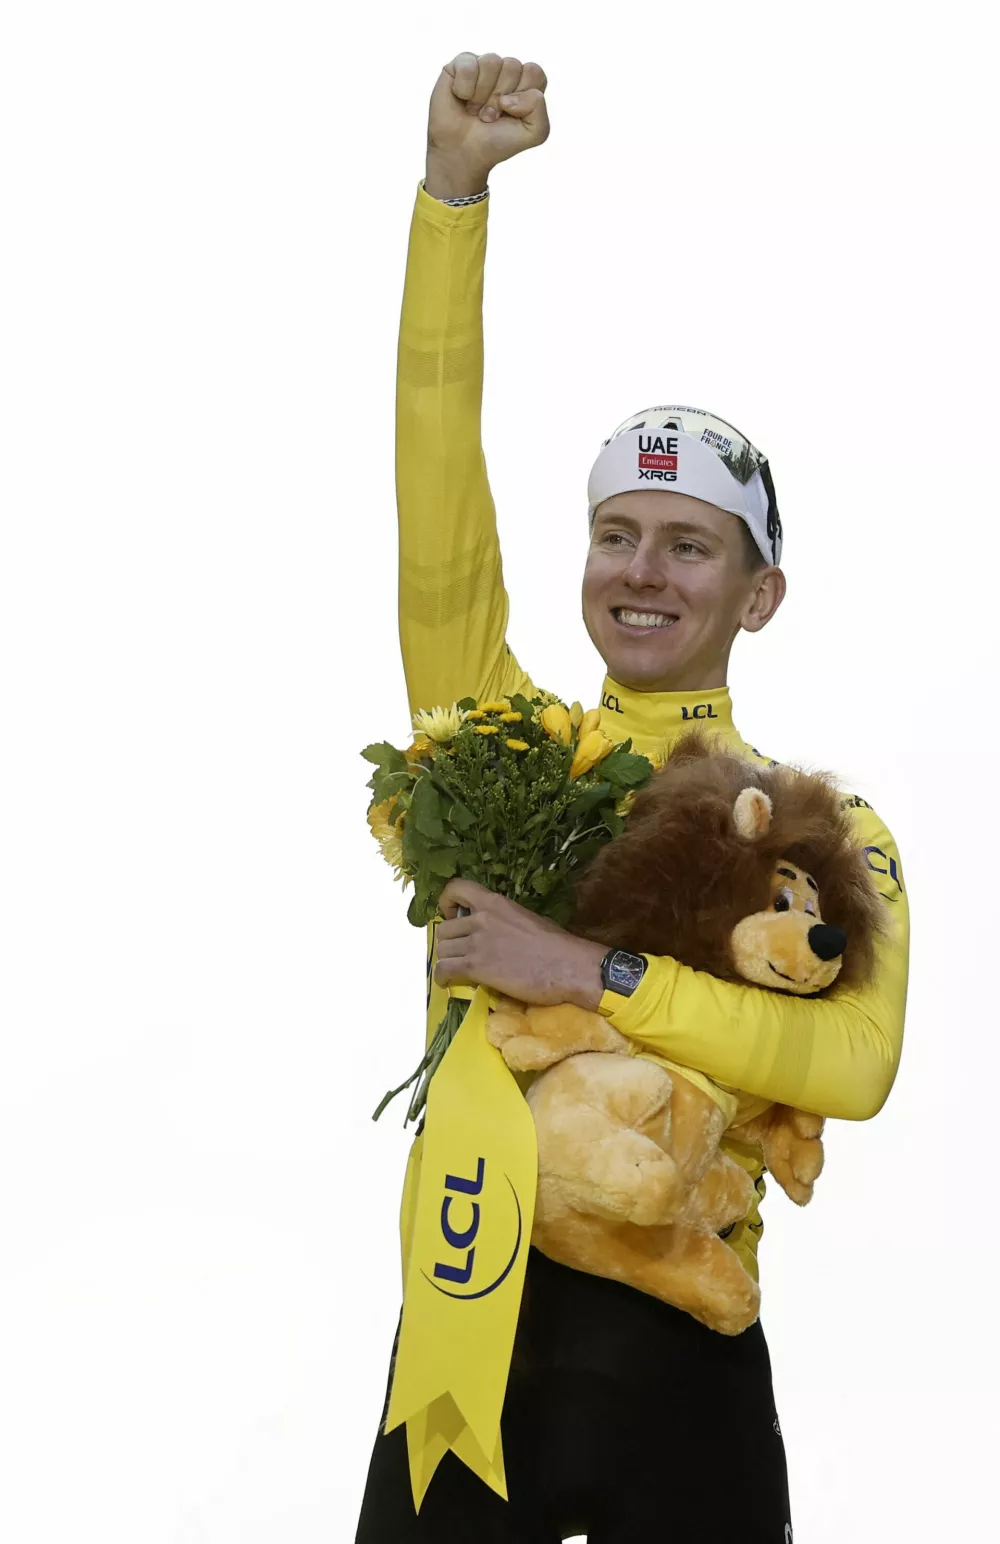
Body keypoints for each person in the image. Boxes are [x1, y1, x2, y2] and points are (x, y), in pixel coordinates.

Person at [355, 50, 909, 1543]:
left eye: (688, 544)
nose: (641, 571)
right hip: (472, 1313)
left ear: (760, 594)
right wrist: (451, 202)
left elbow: (853, 1065)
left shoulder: (819, 832)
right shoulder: (511, 746)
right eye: (616, 534)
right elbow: (435, 518)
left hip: (687, 1349)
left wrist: (584, 972)